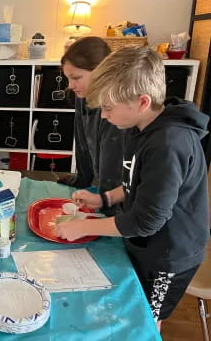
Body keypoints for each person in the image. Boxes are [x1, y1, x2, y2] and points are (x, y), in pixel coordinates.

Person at [55, 46, 209, 328]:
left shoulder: (169, 143)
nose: (103, 116)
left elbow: (147, 220)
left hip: (168, 255)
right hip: (146, 243)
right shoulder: (140, 128)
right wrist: (104, 199)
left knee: (146, 319)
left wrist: (83, 227)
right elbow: (136, 184)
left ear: (141, 102)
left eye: (108, 108)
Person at [59, 37, 124, 216]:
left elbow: (114, 165)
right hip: (103, 192)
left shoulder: (119, 109)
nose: (70, 85)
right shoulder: (82, 98)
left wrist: (105, 203)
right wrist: (83, 180)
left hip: (122, 197)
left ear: (100, 71)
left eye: (76, 78)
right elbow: (82, 145)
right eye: (68, 79)